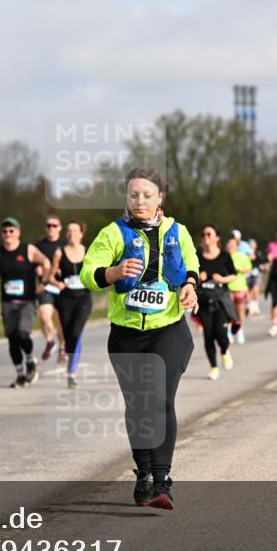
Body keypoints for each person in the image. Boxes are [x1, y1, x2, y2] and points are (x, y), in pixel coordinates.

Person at [81, 167, 199, 509]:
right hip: (127, 335)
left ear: (160, 197)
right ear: (126, 198)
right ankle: (145, 472)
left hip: (168, 330)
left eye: (147, 195)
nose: (140, 201)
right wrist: (113, 272)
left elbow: (191, 265)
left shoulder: (177, 231)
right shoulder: (113, 234)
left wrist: (190, 287)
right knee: (138, 406)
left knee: (160, 400)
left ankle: (162, 482)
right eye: (134, 195)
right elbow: (87, 272)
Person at [0, 218, 52, 388]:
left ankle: (30, 360)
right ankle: (20, 374)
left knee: (22, 334)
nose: (8, 234)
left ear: (18, 233)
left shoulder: (28, 250)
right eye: (5, 231)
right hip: (7, 303)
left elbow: (46, 263)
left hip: (26, 301)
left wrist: (43, 283)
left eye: (11, 231)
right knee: (12, 339)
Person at [48, 220, 92, 389]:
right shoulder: (60, 253)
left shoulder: (88, 252)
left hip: (83, 298)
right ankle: (69, 357)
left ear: (81, 234)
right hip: (65, 298)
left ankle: (71, 373)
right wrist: (57, 283)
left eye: (75, 231)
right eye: (69, 231)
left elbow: (96, 271)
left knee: (76, 331)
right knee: (67, 335)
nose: (72, 234)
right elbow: (50, 276)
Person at [197, 225, 238, 380]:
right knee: (208, 335)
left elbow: (234, 275)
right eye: (203, 234)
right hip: (204, 300)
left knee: (220, 333)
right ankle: (213, 367)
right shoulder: (198, 256)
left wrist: (222, 279)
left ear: (217, 238)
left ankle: (224, 351)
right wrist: (199, 276)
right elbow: (190, 275)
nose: (205, 236)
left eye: (209, 234)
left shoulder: (224, 256)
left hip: (220, 300)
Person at [35, 216, 66, 362]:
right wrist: (37, 269)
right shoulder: (39, 245)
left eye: (54, 225)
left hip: (62, 287)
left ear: (60, 228)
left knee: (60, 320)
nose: (51, 228)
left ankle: (62, 348)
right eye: (49, 226)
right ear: (45, 228)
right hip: (45, 286)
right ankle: (50, 341)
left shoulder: (65, 244)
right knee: (44, 314)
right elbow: (32, 262)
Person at [227, 235, 253, 344]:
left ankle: (239, 330)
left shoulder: (242, 256)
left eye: (233, 245)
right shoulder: (224, 256)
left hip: (240, 287)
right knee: (227, 311)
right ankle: (228, 331)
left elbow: (249, 269)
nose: (230, 246)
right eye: (229, 244)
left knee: (240, 311)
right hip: (227, 288)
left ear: (237, 246)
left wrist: (240, 270)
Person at [245, 237, 265, 316]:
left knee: (255, 288)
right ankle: (249, 305)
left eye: (253, 245)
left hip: (256, 274)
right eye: (250, 245)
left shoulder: (258, 254)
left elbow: (263, 263)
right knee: (248, 291)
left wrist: (261, 267)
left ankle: (256, 304)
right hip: (247, 274)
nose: (252, 247)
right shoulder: (245, 254)